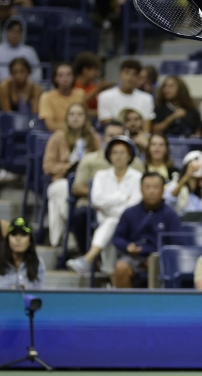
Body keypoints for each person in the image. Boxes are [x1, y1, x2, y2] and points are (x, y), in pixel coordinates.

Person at [66, 136, 142, 276]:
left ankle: (88, 260)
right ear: (109, 155)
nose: (118, 156)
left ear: (129, 155)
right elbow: (96, 200)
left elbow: (134, 205)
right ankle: (110, 276)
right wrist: (122, 198)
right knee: (111, 223)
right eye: (115, 153)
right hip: (104, 218)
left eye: (122, 153)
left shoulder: (137, 177)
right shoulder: (101, 175)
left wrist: (110, 203)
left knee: (112, 222)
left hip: (128, 221)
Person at [71, 121, 144, 250]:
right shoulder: (89, 159)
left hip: (125, 209)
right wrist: (114, 199)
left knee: (118, 219)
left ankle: (93, 259)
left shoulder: (137, 163)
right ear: (103, 137)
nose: (115, 138)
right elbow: (78, 188)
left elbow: (139, 192)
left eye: (119, 135)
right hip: (93, 206)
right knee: (80, 216)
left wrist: (111, 204)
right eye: (111, 135)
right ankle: (86, 253)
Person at [43, 103, 101, 247]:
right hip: (61, 180)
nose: (75, 118)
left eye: (80, 114)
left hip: (86, 183)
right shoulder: (57, 137)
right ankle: (72, 229)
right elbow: (48, 166)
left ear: (86, 118)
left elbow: (102, 161)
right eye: (72, 114)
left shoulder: (93, 138)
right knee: (64, 189)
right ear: (67, 118)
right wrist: (70, 166)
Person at [112, 172, 182, 288]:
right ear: (141, 190)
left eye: (155, 187)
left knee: (160, 267)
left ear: (163, 190)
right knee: (121, 267)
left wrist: (161, 255)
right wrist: (127, 246)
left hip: (160, 258)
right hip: (134, 256)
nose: (151, 191)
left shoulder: (171, 215)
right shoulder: (130, 213)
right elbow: (117, 238)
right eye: (147, 187)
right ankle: (124, 304)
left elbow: (177, 243)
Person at [0, 217, 45, 289]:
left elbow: (39, 295)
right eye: (14, 234)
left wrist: (27, 293)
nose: (18, 239)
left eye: (23, 234)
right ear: (7, 239)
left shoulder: (38, 263)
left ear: (30, 241)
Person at [0, 58, 43, 136]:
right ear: (11, 74)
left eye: (22, 72)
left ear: (29, 72)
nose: (18, 75)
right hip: (0, 118)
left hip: (26, 120)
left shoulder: (36, 88)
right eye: (14, 72)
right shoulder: (4, 86)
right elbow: (7, 116)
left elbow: (34, 116)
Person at [98, 59, 155, 132]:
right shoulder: (104, 96)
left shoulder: (147, 98)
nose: (129, 78)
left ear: (138, 78)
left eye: (134, 74)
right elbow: (109, 125)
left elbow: (146, 130)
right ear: (120, 74)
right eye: (126, 73)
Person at [164, 151, 202, 223]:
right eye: (196, 162)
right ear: (186, 166)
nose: (199, 166)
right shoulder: (174, 186)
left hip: (201, 231)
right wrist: (186, 176)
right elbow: (169, 201)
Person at [0, 17, 42, 82]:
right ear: (6, 32)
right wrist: (4, 85)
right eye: (11, 31)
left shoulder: (30, 51)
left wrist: (24, 84)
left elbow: (37, 73)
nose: (14, 34)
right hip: (1, 89)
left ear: (22, 34)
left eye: (17, 31)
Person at [38, 64, 86, 133]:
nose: (65, 78)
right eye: (60, 75)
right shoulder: (46, 97)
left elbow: (84, 120)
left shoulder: (80, 94)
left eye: (68, 75)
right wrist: (74, 126)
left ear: (73, 77)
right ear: (55, 78)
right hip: (56, 135)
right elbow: (51, 126)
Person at [73, 52, 115, 117]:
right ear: (85, 70)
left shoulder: (94, 86)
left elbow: (102, 110)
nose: (97, 73)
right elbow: (77, 105)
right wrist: (97, 89)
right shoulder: (72, 86)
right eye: (95, 69)